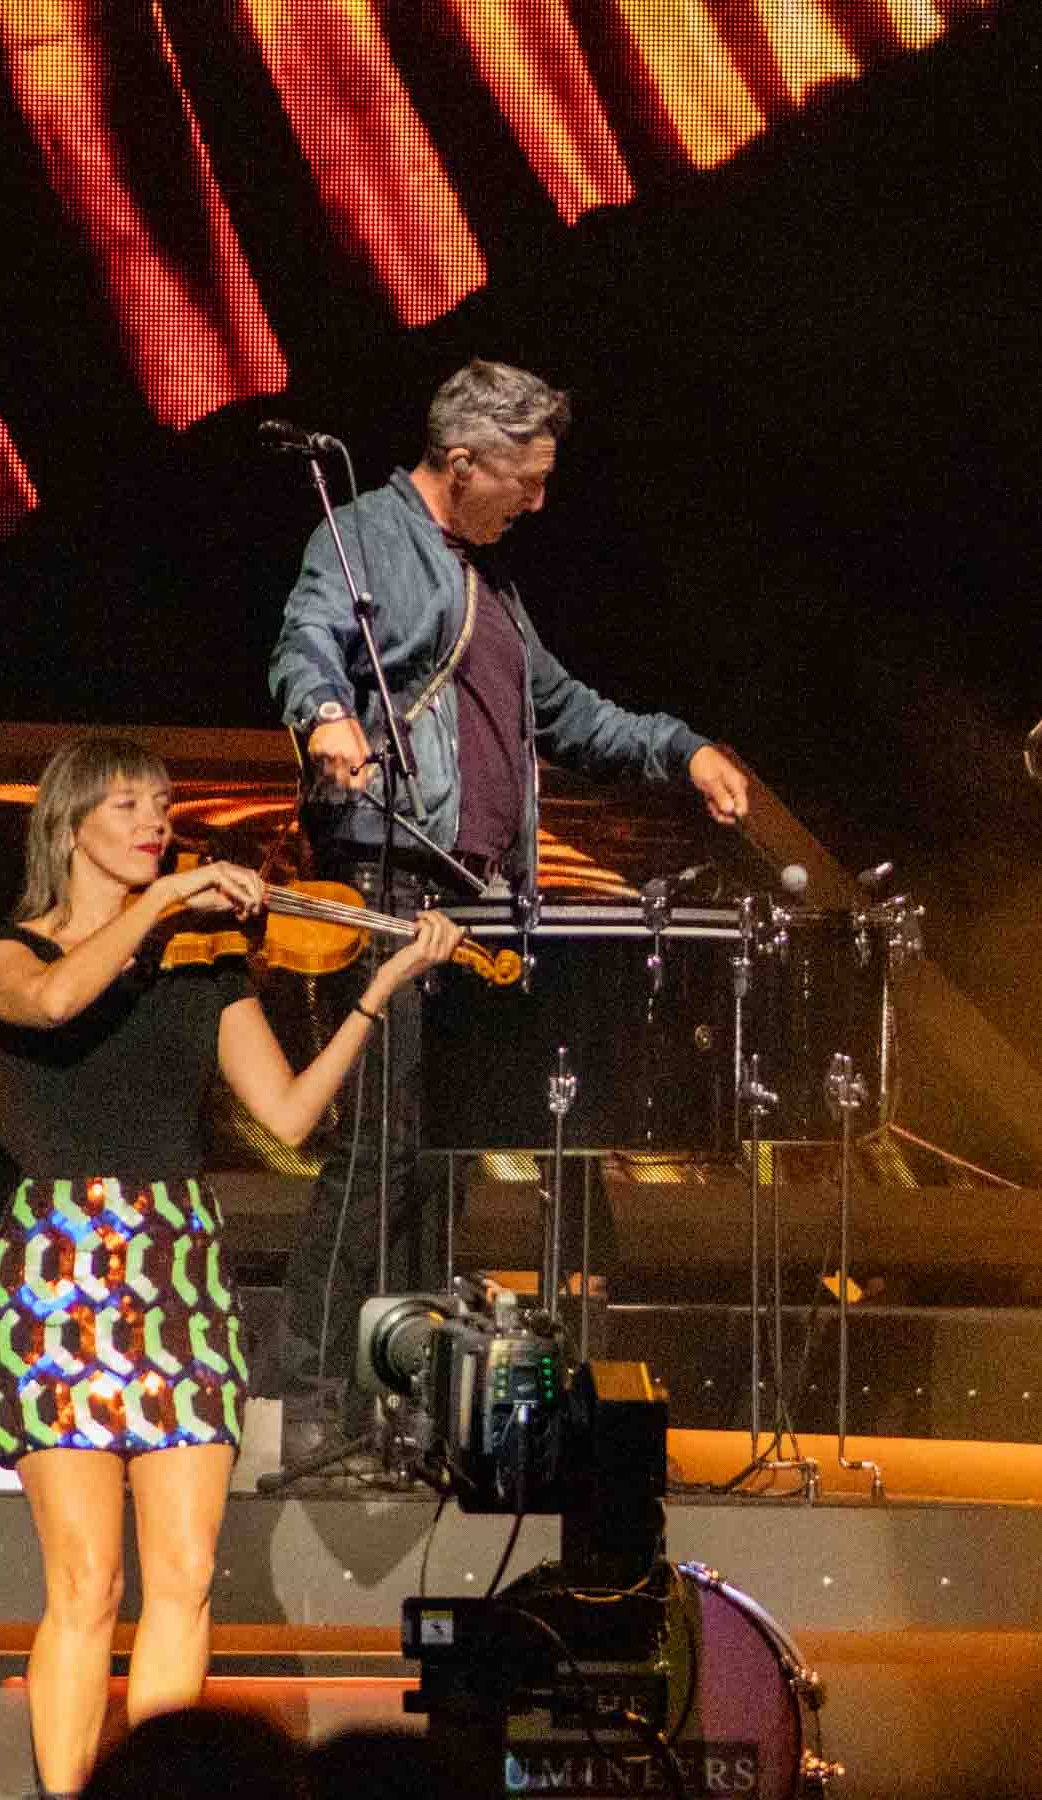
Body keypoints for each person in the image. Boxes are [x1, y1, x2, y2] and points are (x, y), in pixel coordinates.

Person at [265, 357, 750, 1458]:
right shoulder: (368, 535)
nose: (537, 501)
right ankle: (310, 1405)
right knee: (380, 1150)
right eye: (525, 479)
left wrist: (683, 748)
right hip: (389, 886)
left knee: (438, 1164)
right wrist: (326, 712)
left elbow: (567, 714)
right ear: (463, 461)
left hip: (471, 905)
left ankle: (400, 1405)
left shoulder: (487, 586)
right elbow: (307, 637)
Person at [0, 736, 460, 1797]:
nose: (157, 822)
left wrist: (379, 988)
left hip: (178, 1270)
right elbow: (52, 1003)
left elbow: (288, 1113)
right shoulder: (9, 952)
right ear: (69, 826)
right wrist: (163, 902)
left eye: (163, 805)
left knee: (186, 1576)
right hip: (58, 1267)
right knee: (86, 1581)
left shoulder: (204, 966)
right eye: (129, 806)